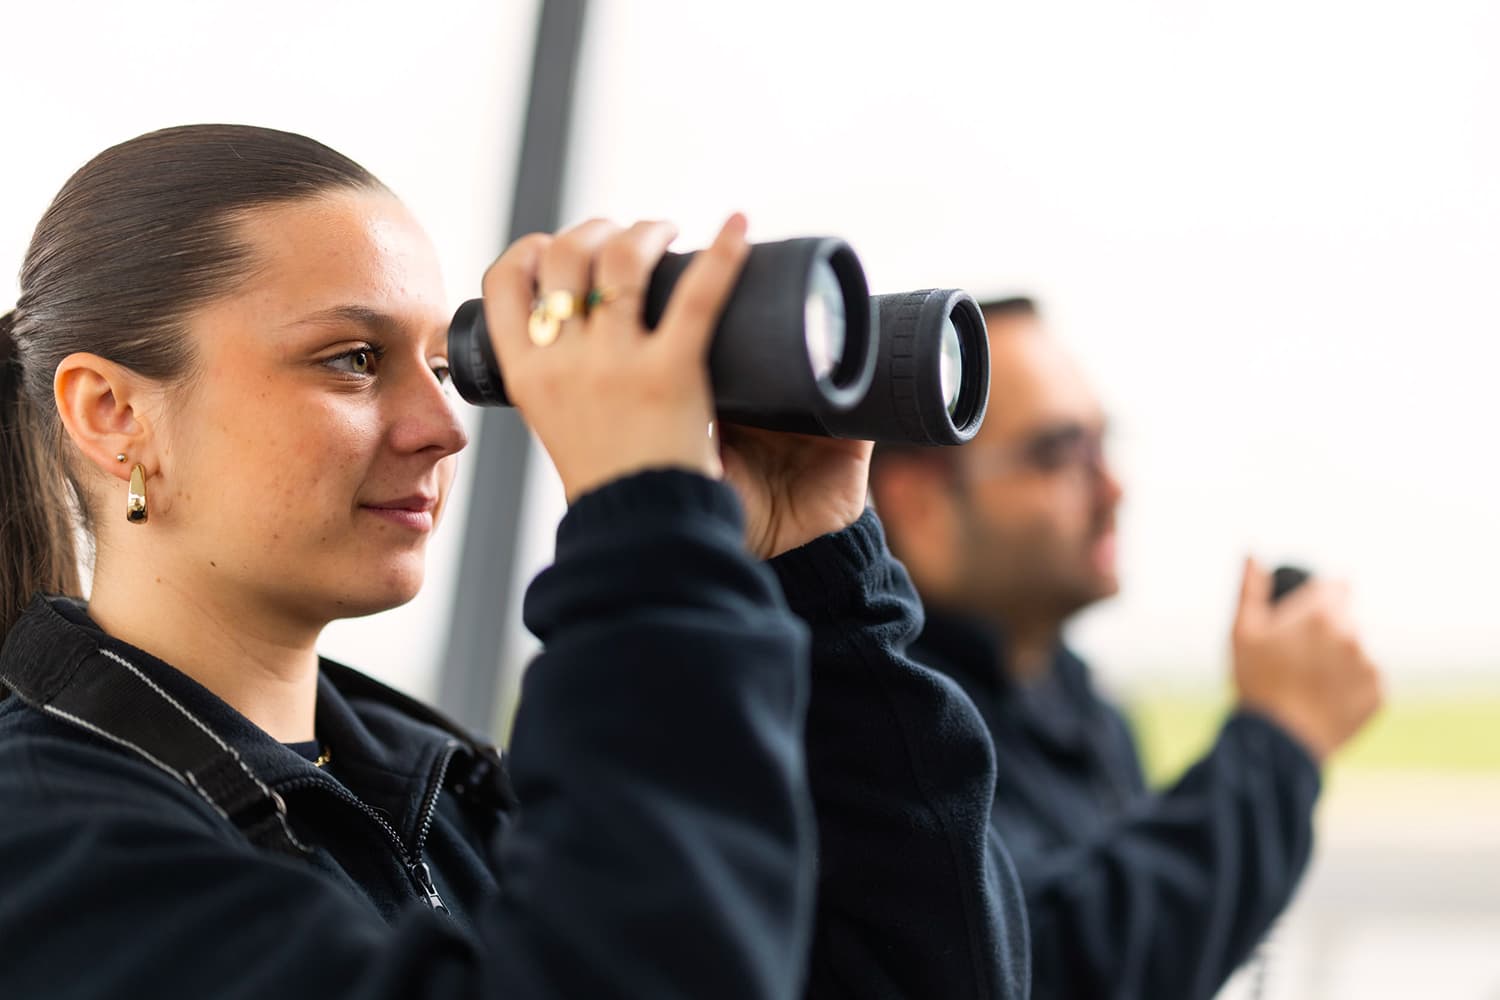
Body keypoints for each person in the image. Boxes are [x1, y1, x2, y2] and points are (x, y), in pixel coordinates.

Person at [0, 126, 1026, 999]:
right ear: (113, 414)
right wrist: (648, 532)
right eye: (353, 360)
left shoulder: (441, 786)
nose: (444, 427)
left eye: (445, 368)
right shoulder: (52, 842)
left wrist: (815, 583)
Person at [868, 297, 1384, 1000]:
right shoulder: (877, 734)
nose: (1113, 488)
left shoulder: (1081, 708)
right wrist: (1278, 739)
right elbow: (1040, 965)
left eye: (1102, 445)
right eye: (1057, 452)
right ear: (917, 503)